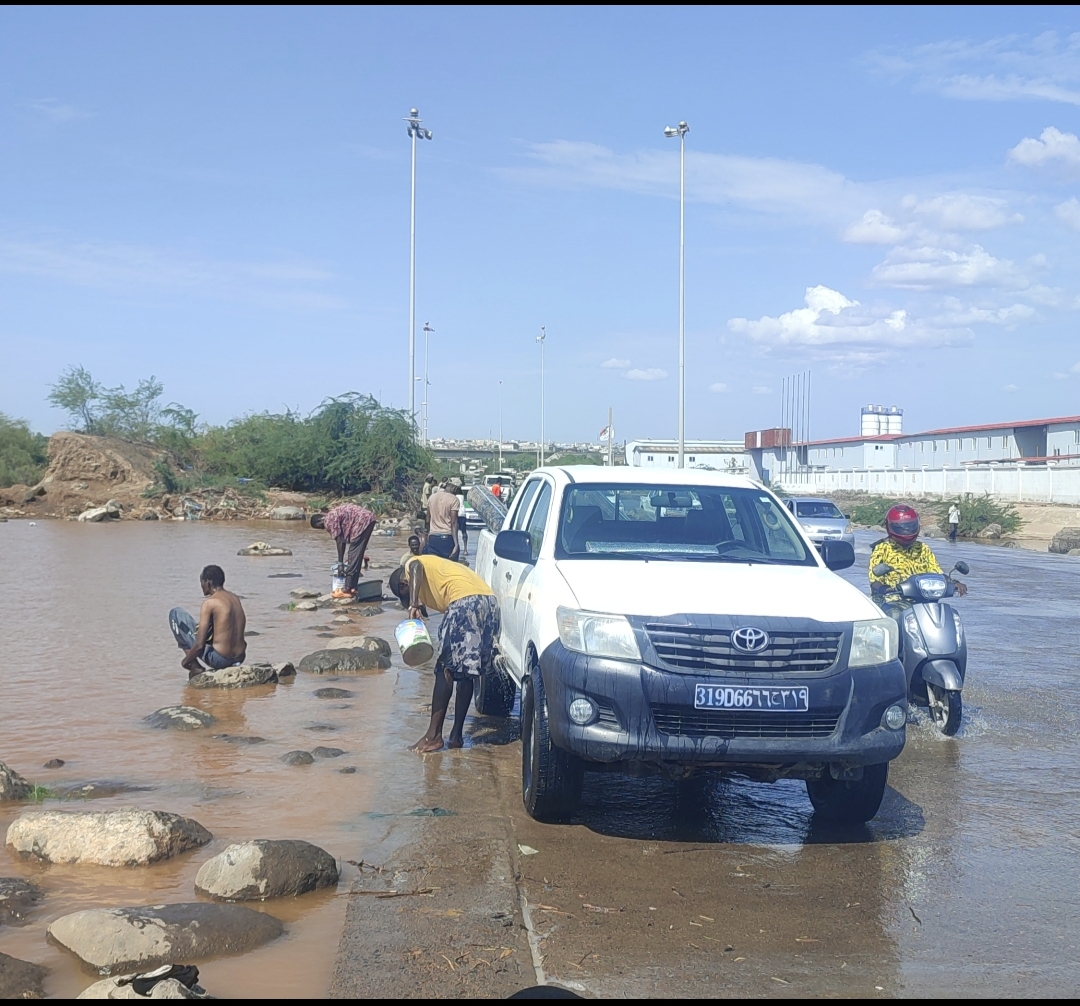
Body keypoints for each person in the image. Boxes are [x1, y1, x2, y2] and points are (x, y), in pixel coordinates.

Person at [389, 555, 500, 752]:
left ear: (405, 584)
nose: (408, 602)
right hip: (488, 603)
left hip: (464, 602)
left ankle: (433, 736)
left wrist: (414, 603)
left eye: (405, 596)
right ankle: (456, 736)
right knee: (467, 672)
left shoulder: (410, 566)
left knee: (444, 668)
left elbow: (414, 566)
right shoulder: (438, 572)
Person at [869, 504, 967, 608]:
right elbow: (874, 580)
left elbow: (937, 573)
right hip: (891, 602)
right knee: (895, 615)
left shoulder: (923, 548)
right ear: (889, 526)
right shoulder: (881, 549)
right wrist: (883, 589)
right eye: (901, 527)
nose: (906, 531)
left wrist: (954, 583)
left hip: (923, 601)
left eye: (910, 527)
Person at [169, 565, 247, 678]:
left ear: (208, 582)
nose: (201, 586)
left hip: (221, 660)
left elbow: (200, 645)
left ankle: (195, 667)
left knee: (175, 614)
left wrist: (185, 662)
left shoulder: (210, 603)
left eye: (201, 582)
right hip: (240, 657)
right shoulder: (235, 598)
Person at [311, 503, 376, 597]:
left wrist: (340, 563)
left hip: (363, 521)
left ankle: (347, 588)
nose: (323, 529)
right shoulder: (333, 514)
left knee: (353, 555)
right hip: (368, 519)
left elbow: (340, 542)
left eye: (320, 527)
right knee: (357, 555)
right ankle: (353, 587)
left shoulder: (328, 520)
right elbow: (342, 540)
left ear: (319, 521)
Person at [425, 481, 460, 559]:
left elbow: (427, 520)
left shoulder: (431, 498)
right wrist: (456, 544)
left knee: (433, 567)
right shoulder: (454, 499)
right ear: (454, 488)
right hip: (447, 537)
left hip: (433, 537)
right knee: (449, 566)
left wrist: (428, 536)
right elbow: (453, 523)